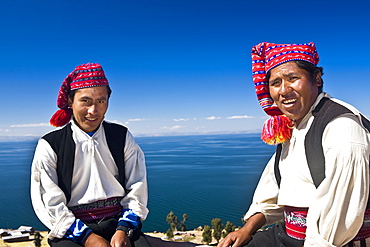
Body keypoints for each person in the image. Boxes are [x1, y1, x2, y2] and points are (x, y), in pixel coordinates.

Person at [218, 42, 370, 247]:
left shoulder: (341, 126)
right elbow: (272, 190)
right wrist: (246, 230)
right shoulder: (292, 129)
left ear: (316, 78)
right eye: (275, 82)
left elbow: (340, 216)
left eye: (293, 78)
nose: (284, 90)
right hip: (288, 236)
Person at [30, 63, 152, 247]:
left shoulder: (122, 136)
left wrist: (124, 229)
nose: (93, 111)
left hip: (118, 224)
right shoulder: (49, 144)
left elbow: (137, 186)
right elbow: (48, 200)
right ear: (70, 101)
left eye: (101, 101)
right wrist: (88, 238)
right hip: (71, 231)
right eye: (85, 101)